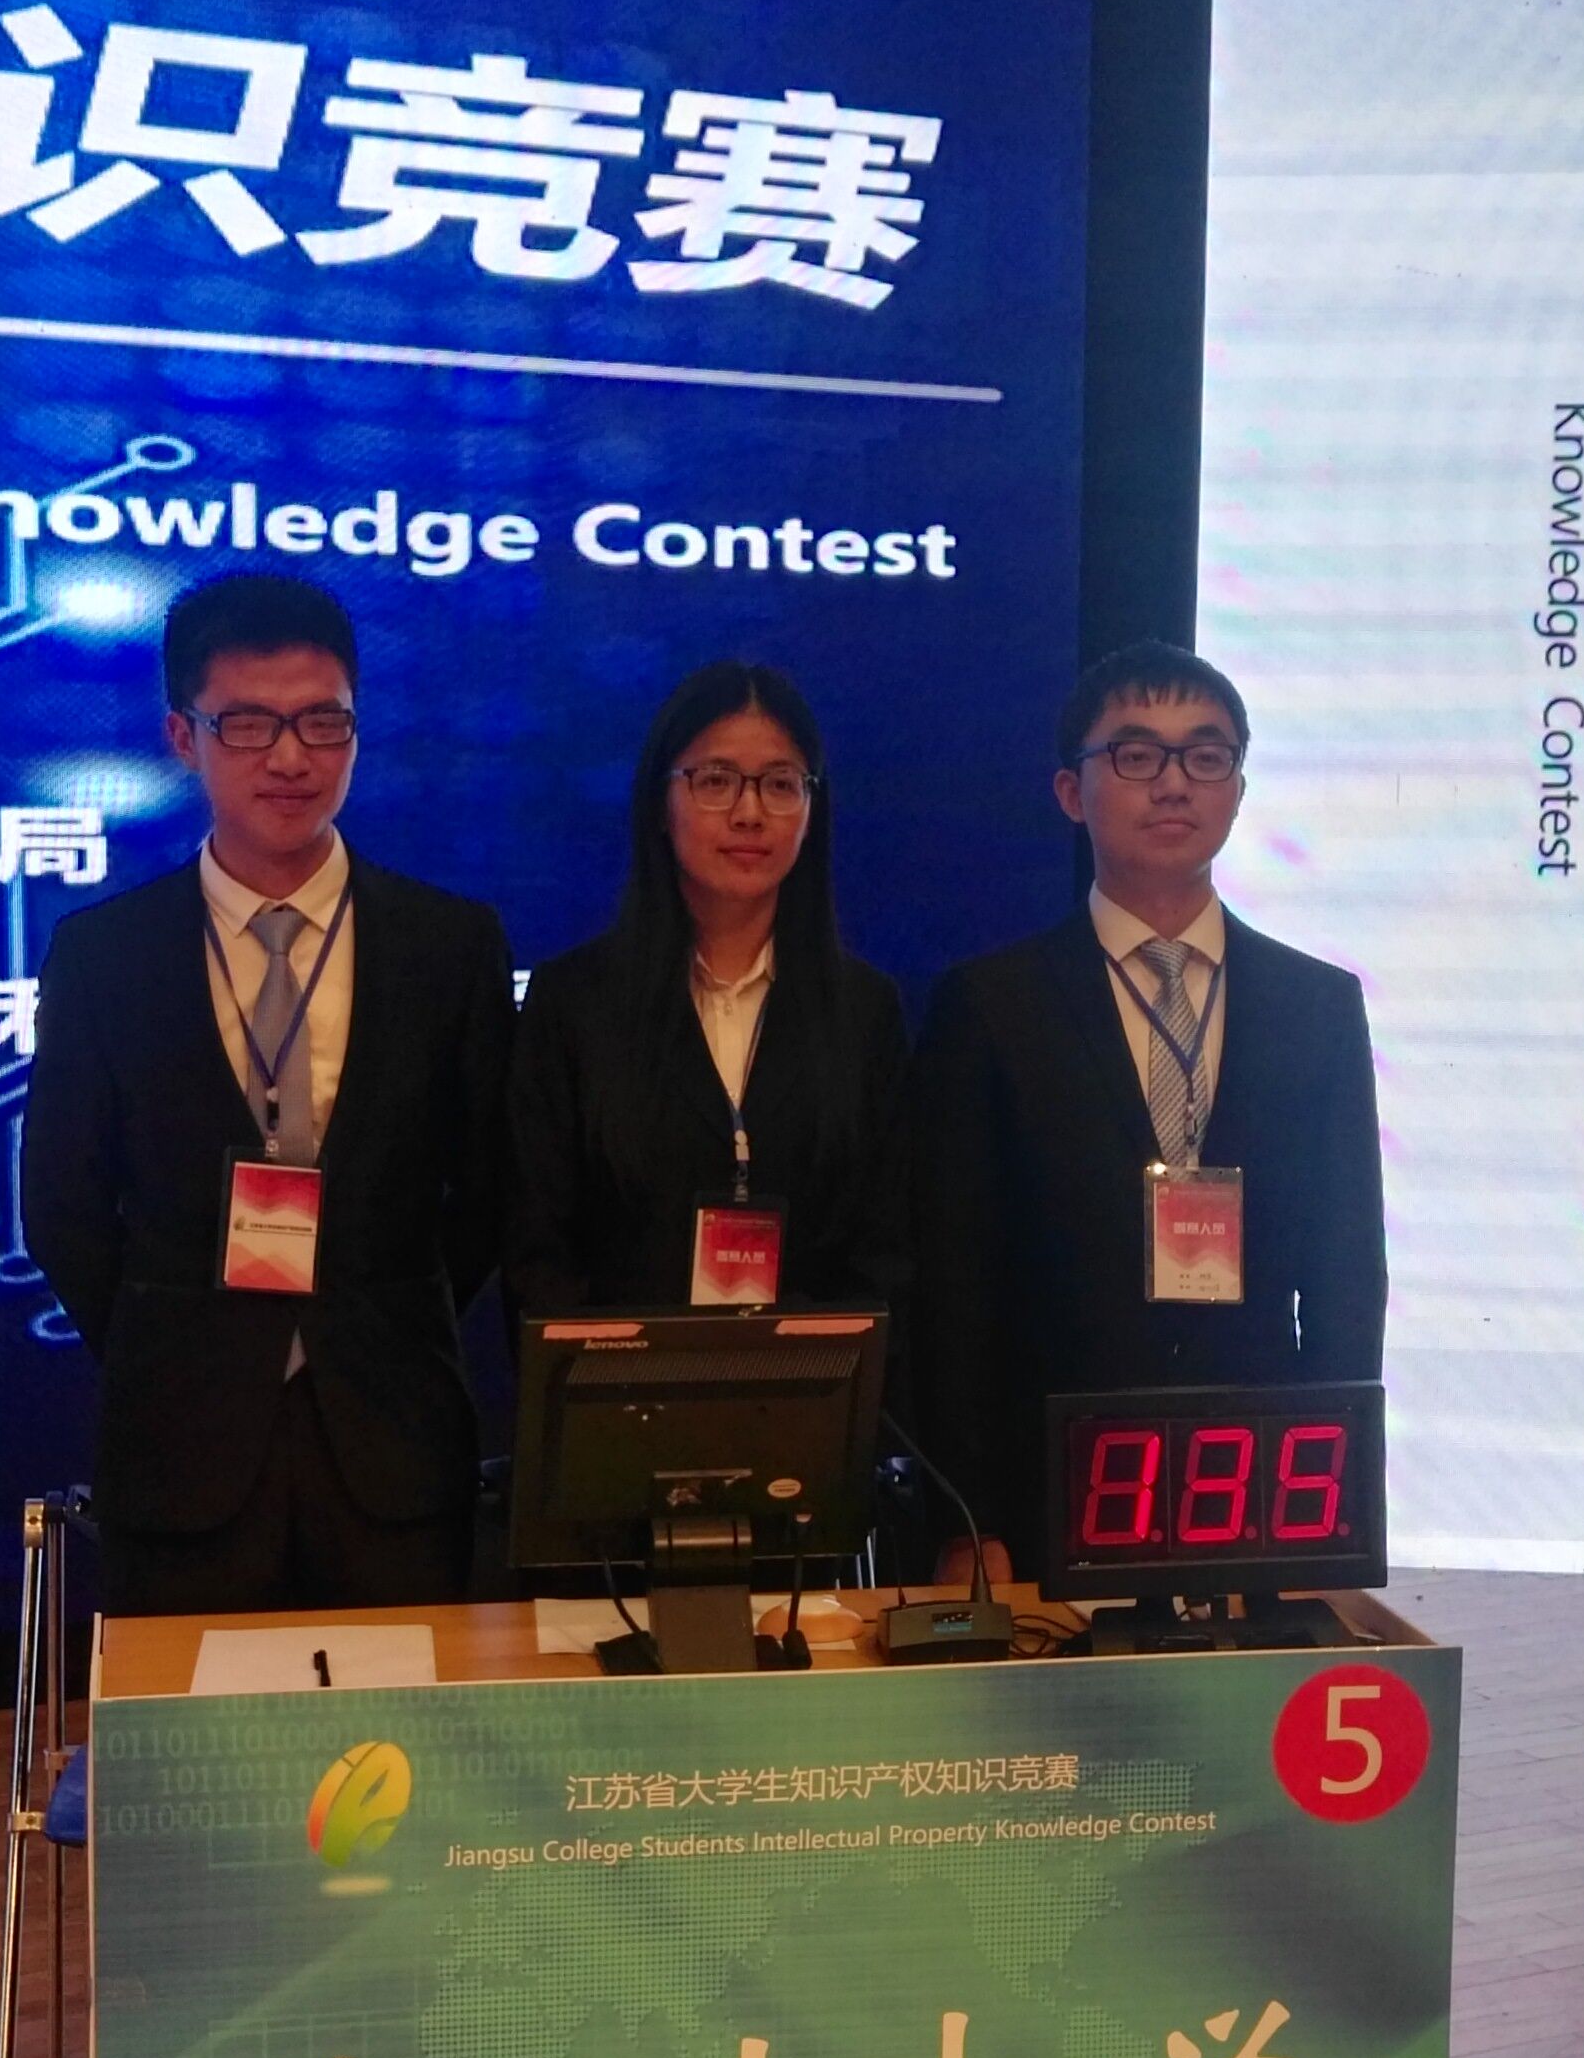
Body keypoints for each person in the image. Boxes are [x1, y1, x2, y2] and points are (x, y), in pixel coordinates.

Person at [19, 572, 514, 1615]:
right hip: (181, 1447)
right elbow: (64, 1205)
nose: (290, 758)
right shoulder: (105, 954)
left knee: (400, 1713)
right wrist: (179, 1345)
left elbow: (487, 1192)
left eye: (323, 722)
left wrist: (378, 1319)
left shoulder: (449, 945)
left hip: (394, 1442)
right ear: (182, 737)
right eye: (247, 724)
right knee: (198, 1717)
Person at [908, 639, 1384, 1582]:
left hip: (1260, 1483)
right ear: (1071, 792)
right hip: (1046, 1480)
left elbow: (1345, 1275)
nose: (1173, 784)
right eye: (1137, 755)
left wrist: (1331, 1508)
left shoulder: (1318, 1005)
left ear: (1238, 790)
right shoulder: (992, 1005)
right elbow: (952, 1285)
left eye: (1205, 756)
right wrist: (966, 1517)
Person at [507, 660, 911, 1320]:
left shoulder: (865, 1012)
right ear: (660, 805)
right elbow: (538, 1254)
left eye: (780, 784)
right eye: (716, 781)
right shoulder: (572, 1003)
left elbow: (887, 1254)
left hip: (813, 1379)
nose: (750, 813)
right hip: (616, 1379)